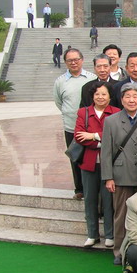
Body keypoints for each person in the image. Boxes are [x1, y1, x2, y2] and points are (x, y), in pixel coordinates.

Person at [101, 83, 137, 264]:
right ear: (121, 99)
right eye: (128, 96)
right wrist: (108, 177)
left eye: (135, 96)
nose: (132, 100)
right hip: (121, 174)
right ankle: (119, 251)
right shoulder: (111, 121)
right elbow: (106, 151)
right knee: (121, 215)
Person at [74, 81, 120, 248]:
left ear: (110, 96)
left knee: (109, 200)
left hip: (110, 164)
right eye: (97, 94)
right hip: (89, 163)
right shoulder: (83, 112)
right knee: (90, 199)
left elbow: (116, 137)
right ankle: (92, 234)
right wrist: (102, 140)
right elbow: (79, 136)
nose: (100, 97)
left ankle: (109, 234)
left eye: (104, 94)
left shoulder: (116, 112)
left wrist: (93, 136)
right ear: (92, 96)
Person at [54, 48, 97, 200]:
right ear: (65, 62)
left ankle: (92, 187)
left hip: (91, 127)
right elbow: (59, 102)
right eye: (70, 60)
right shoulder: (60, 82)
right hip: (71, 127)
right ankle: (79, 188)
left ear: (82, 60)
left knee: (90, 157)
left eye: (76, 59)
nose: (73, 62)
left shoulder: (92, 78)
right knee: (75, 156)